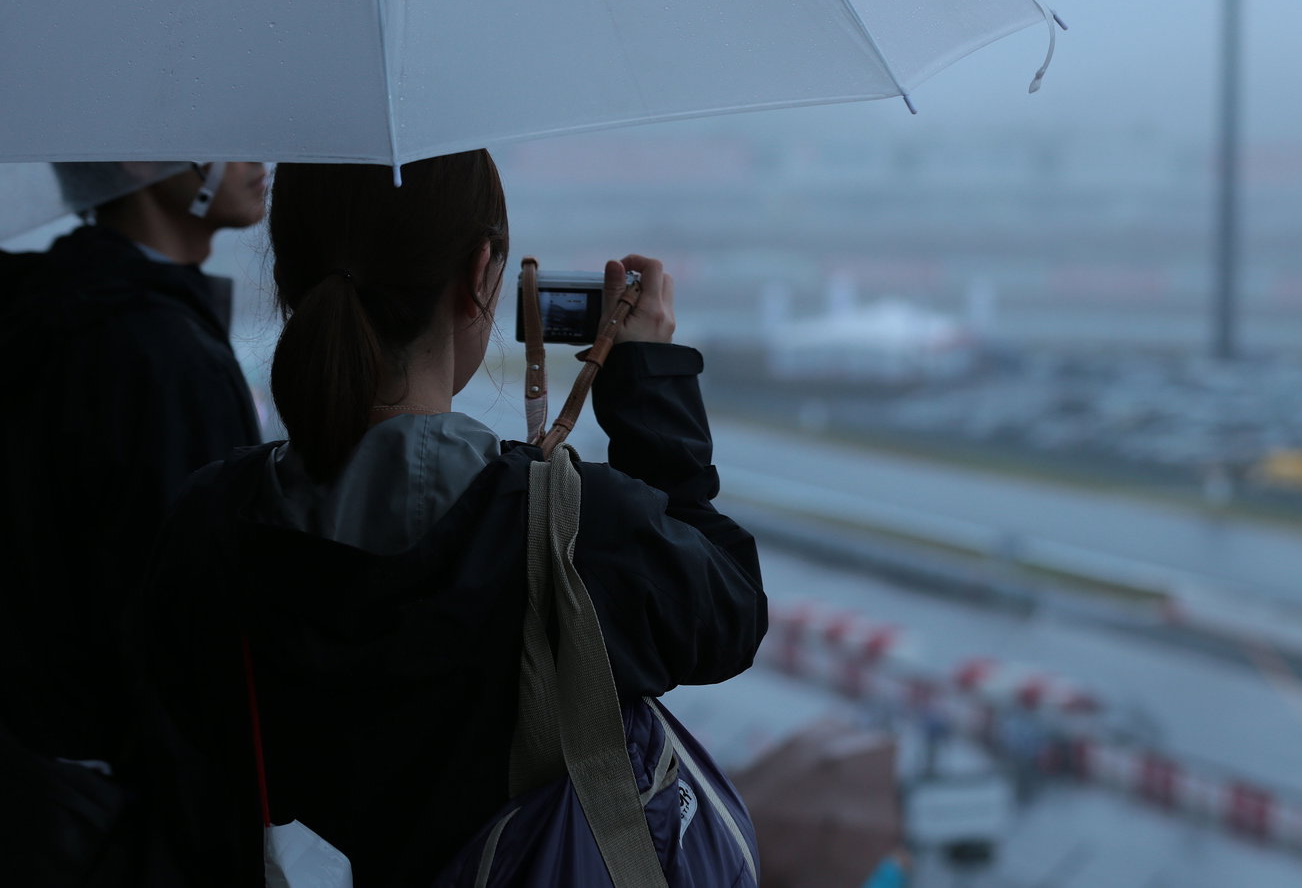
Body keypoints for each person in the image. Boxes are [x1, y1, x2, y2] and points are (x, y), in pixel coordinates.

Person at [123, 151, 766, 886]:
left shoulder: (211, 519)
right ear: (480, 277)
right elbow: (731, 614)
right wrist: (652, 392)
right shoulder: (572, 531)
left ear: (290, 277)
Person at [0, 161, 267, 765]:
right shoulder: (154, 350)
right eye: (220, 125)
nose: (257, 154)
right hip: (128, 804)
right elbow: (184, 632)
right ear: (142, 162)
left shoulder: (63, 304)